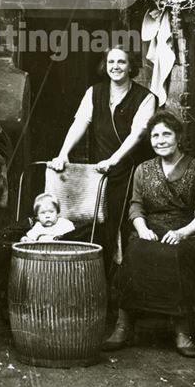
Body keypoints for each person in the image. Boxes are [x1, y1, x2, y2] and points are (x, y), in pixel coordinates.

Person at [103, 109, 195, 358]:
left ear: (178, 138)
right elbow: (135, 206)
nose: (160, 140)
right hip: (150, 229)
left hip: (187, 232)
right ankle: (124, 325)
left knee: (175, 255)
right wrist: (142, 229)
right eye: (155, 136)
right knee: (134, 251)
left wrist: (182, 233)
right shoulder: (143, 170)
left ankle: (182, 329)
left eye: (167, 134)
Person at [49, 47, 157, 274]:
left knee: (123, 223)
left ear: (131, 67)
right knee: (99, 223)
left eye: (121, 62)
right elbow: (80, 122)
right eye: (111, 62)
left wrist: (114, 159)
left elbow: (137, 133)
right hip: (101, 172)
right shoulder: (94, 92)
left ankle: (121, 281)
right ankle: (101, 279)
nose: (115, 67)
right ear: (105, 66)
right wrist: (63, 153)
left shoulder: (145, 98)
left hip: (131, 172)